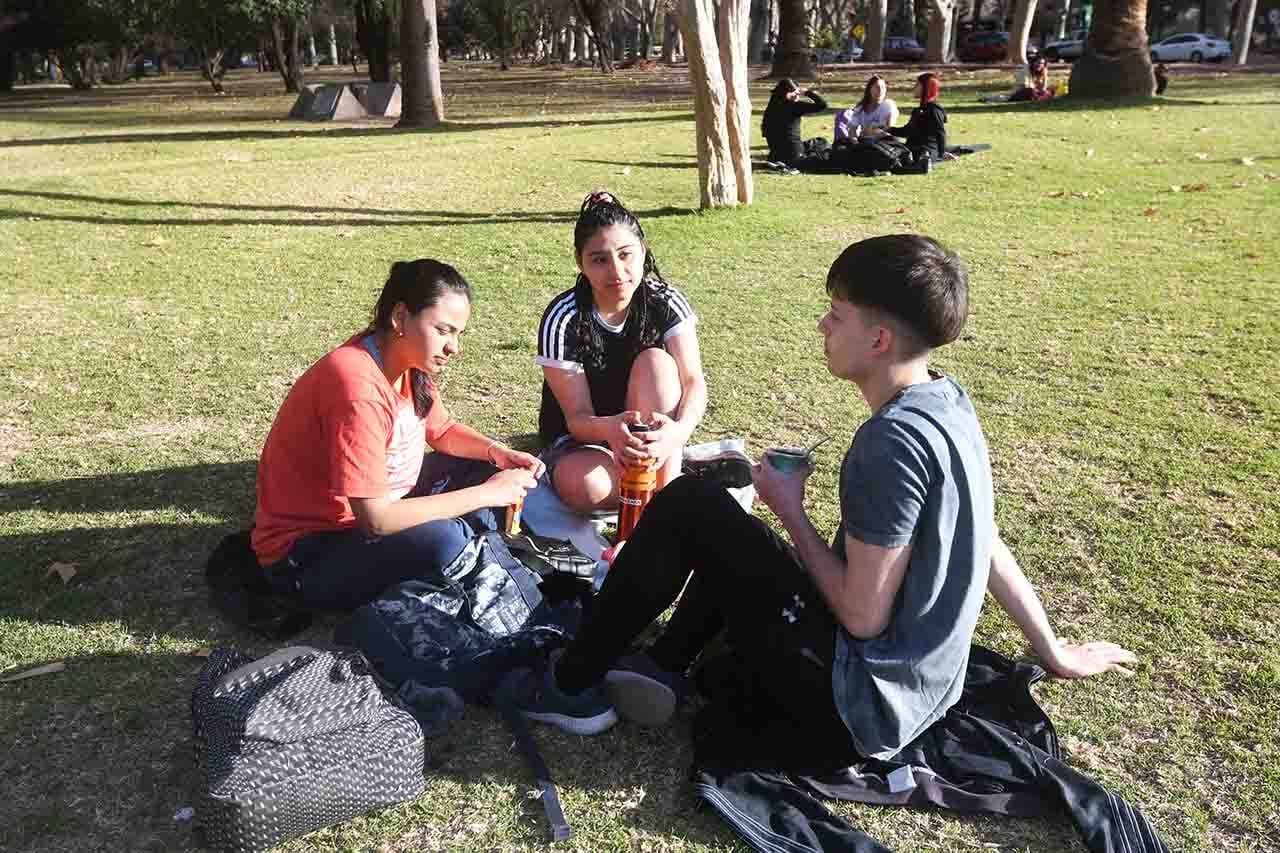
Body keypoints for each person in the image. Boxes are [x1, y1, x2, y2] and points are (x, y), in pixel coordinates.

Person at [511, 235, 1136, 758]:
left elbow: (861, 616)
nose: (822, 324)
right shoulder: (949, 400)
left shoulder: (889, 444)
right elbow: (981, 537)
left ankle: (569, 685)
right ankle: (664, 662)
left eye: (836, 313)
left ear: (879, 339)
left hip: (853, 708)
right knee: (727, 526)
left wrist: (790, 508)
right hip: (915, 690)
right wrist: (1050, 649)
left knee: (689, 506)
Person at [252, 259, 544, 611]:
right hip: (309, 554)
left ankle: (479, 553)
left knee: (484, 469)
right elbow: (376, 519)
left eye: (458, 334)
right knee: (445, 537)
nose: (454, 347)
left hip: (379, 509)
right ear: (400, 318)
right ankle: (476, 558)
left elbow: (443, 430)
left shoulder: (402, 361)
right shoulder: (356, 386)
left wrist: (497, 452)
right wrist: (486, 495)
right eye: (444, 330)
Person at [536, 190, 706, 514]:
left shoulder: (666, 301)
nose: (616, 272)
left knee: (657, 362)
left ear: (642, 251)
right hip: (587, 440)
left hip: (651, 436)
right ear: (580, 262)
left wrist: (678, 433)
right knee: (585, 485)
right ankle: (650, 490)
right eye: (599, 260)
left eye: (626, 255)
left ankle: (663, 499)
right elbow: (577, 419)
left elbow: (694, 381)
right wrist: (611, 429)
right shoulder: (564, 316)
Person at [761, 77, 829, 167]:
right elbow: (822, 105)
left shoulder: (771, 107)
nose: (797, 95)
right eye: (795, 93)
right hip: (794, 154)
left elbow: (765, 132)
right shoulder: (794, 106)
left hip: (775, 156)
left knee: (818, 142)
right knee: (822, 145)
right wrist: (807, 92)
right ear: (786, 93)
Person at [889, 71, 950, 171]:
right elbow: (907, 131)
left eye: (917, 85)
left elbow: (940, 133)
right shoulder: (918, 111)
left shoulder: (934, 110)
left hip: (925, 150)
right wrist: (887, 129)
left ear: (926, 88)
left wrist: (941, 154)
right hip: (911, 148)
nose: (914, 87)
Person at [834, 74, 900, 145]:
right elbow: (852, 130)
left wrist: (871, 130)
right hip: (865, 141)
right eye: (877, 87)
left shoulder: (889, 105)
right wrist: (855, 142)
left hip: (884, 141)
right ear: (869, 89)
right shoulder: (860, 108)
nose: (880, 90)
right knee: (841, 143)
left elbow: (889, 128)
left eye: (883, 87)